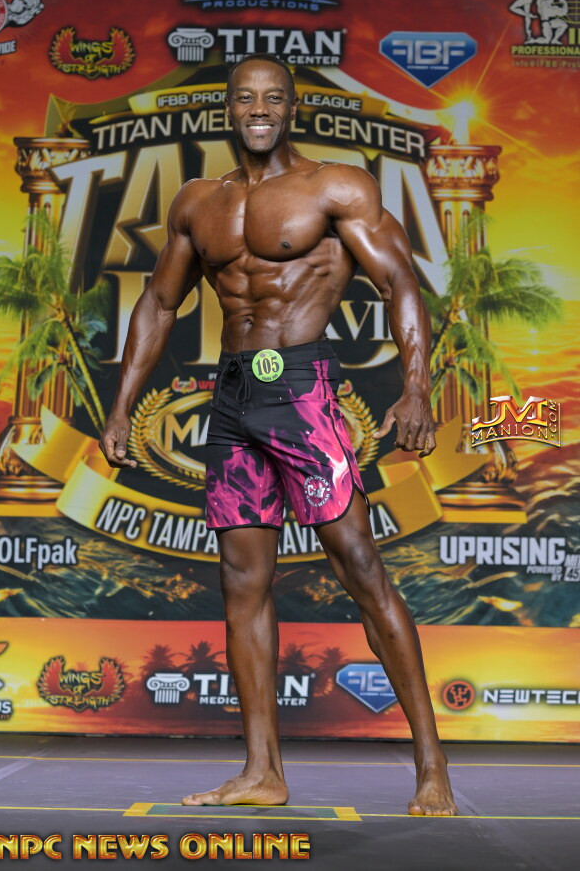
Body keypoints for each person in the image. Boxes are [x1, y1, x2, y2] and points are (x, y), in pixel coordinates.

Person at [99, 53, 458, 816]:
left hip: (304, 394)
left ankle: (432, 766)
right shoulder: (199, 202)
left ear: (293, 108)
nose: (258, 108)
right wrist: (122, 405)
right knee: (242, 582)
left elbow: (400, 281)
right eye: (244, 97)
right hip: (232, 400)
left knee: (361, 566)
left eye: (272, 97)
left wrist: (417, 387)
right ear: (228, 109)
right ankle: (262, 771)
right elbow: (158, 304)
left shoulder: (335, 187)